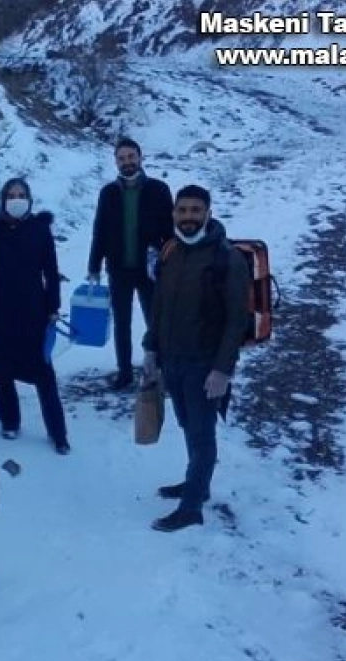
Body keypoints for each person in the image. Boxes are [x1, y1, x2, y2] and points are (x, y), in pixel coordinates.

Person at [141, 184, 248, 532]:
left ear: (208, 214)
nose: (188, 217)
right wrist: (151, 348)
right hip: (172, 359)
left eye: (195, 211)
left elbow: (237, 320)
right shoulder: (171, 251)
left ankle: (191, 508)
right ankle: (196, 484)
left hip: (205, 364)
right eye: (182, 210)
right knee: (188, 424)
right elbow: (159, 305)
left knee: (202, 434)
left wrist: (222, 370)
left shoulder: (226, 259)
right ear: (174, 214)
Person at [0, 178, 69, 454]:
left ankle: (58, 433)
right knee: (2, 370)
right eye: (11, 195)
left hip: (33, 311)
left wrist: (52, 307)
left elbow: (51, 271)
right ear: (3, 200)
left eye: (21, 195)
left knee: (44, 373)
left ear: (29, 199)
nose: (16, 199)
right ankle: (10, 421)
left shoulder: (39, 229)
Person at [87, 137, 173, 390]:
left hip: (150, 270)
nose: (127, 162)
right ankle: (124, 372)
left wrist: (170, 262)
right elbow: (100, 230)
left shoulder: (159, 189)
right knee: (121, 323)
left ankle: (161, 370)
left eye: (131, 157)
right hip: (118, 269)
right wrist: (94, 265)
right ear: (116, 162)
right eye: (122, 158)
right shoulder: (108, 193)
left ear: (140, 157)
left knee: (155, 322)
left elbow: (170, 232)